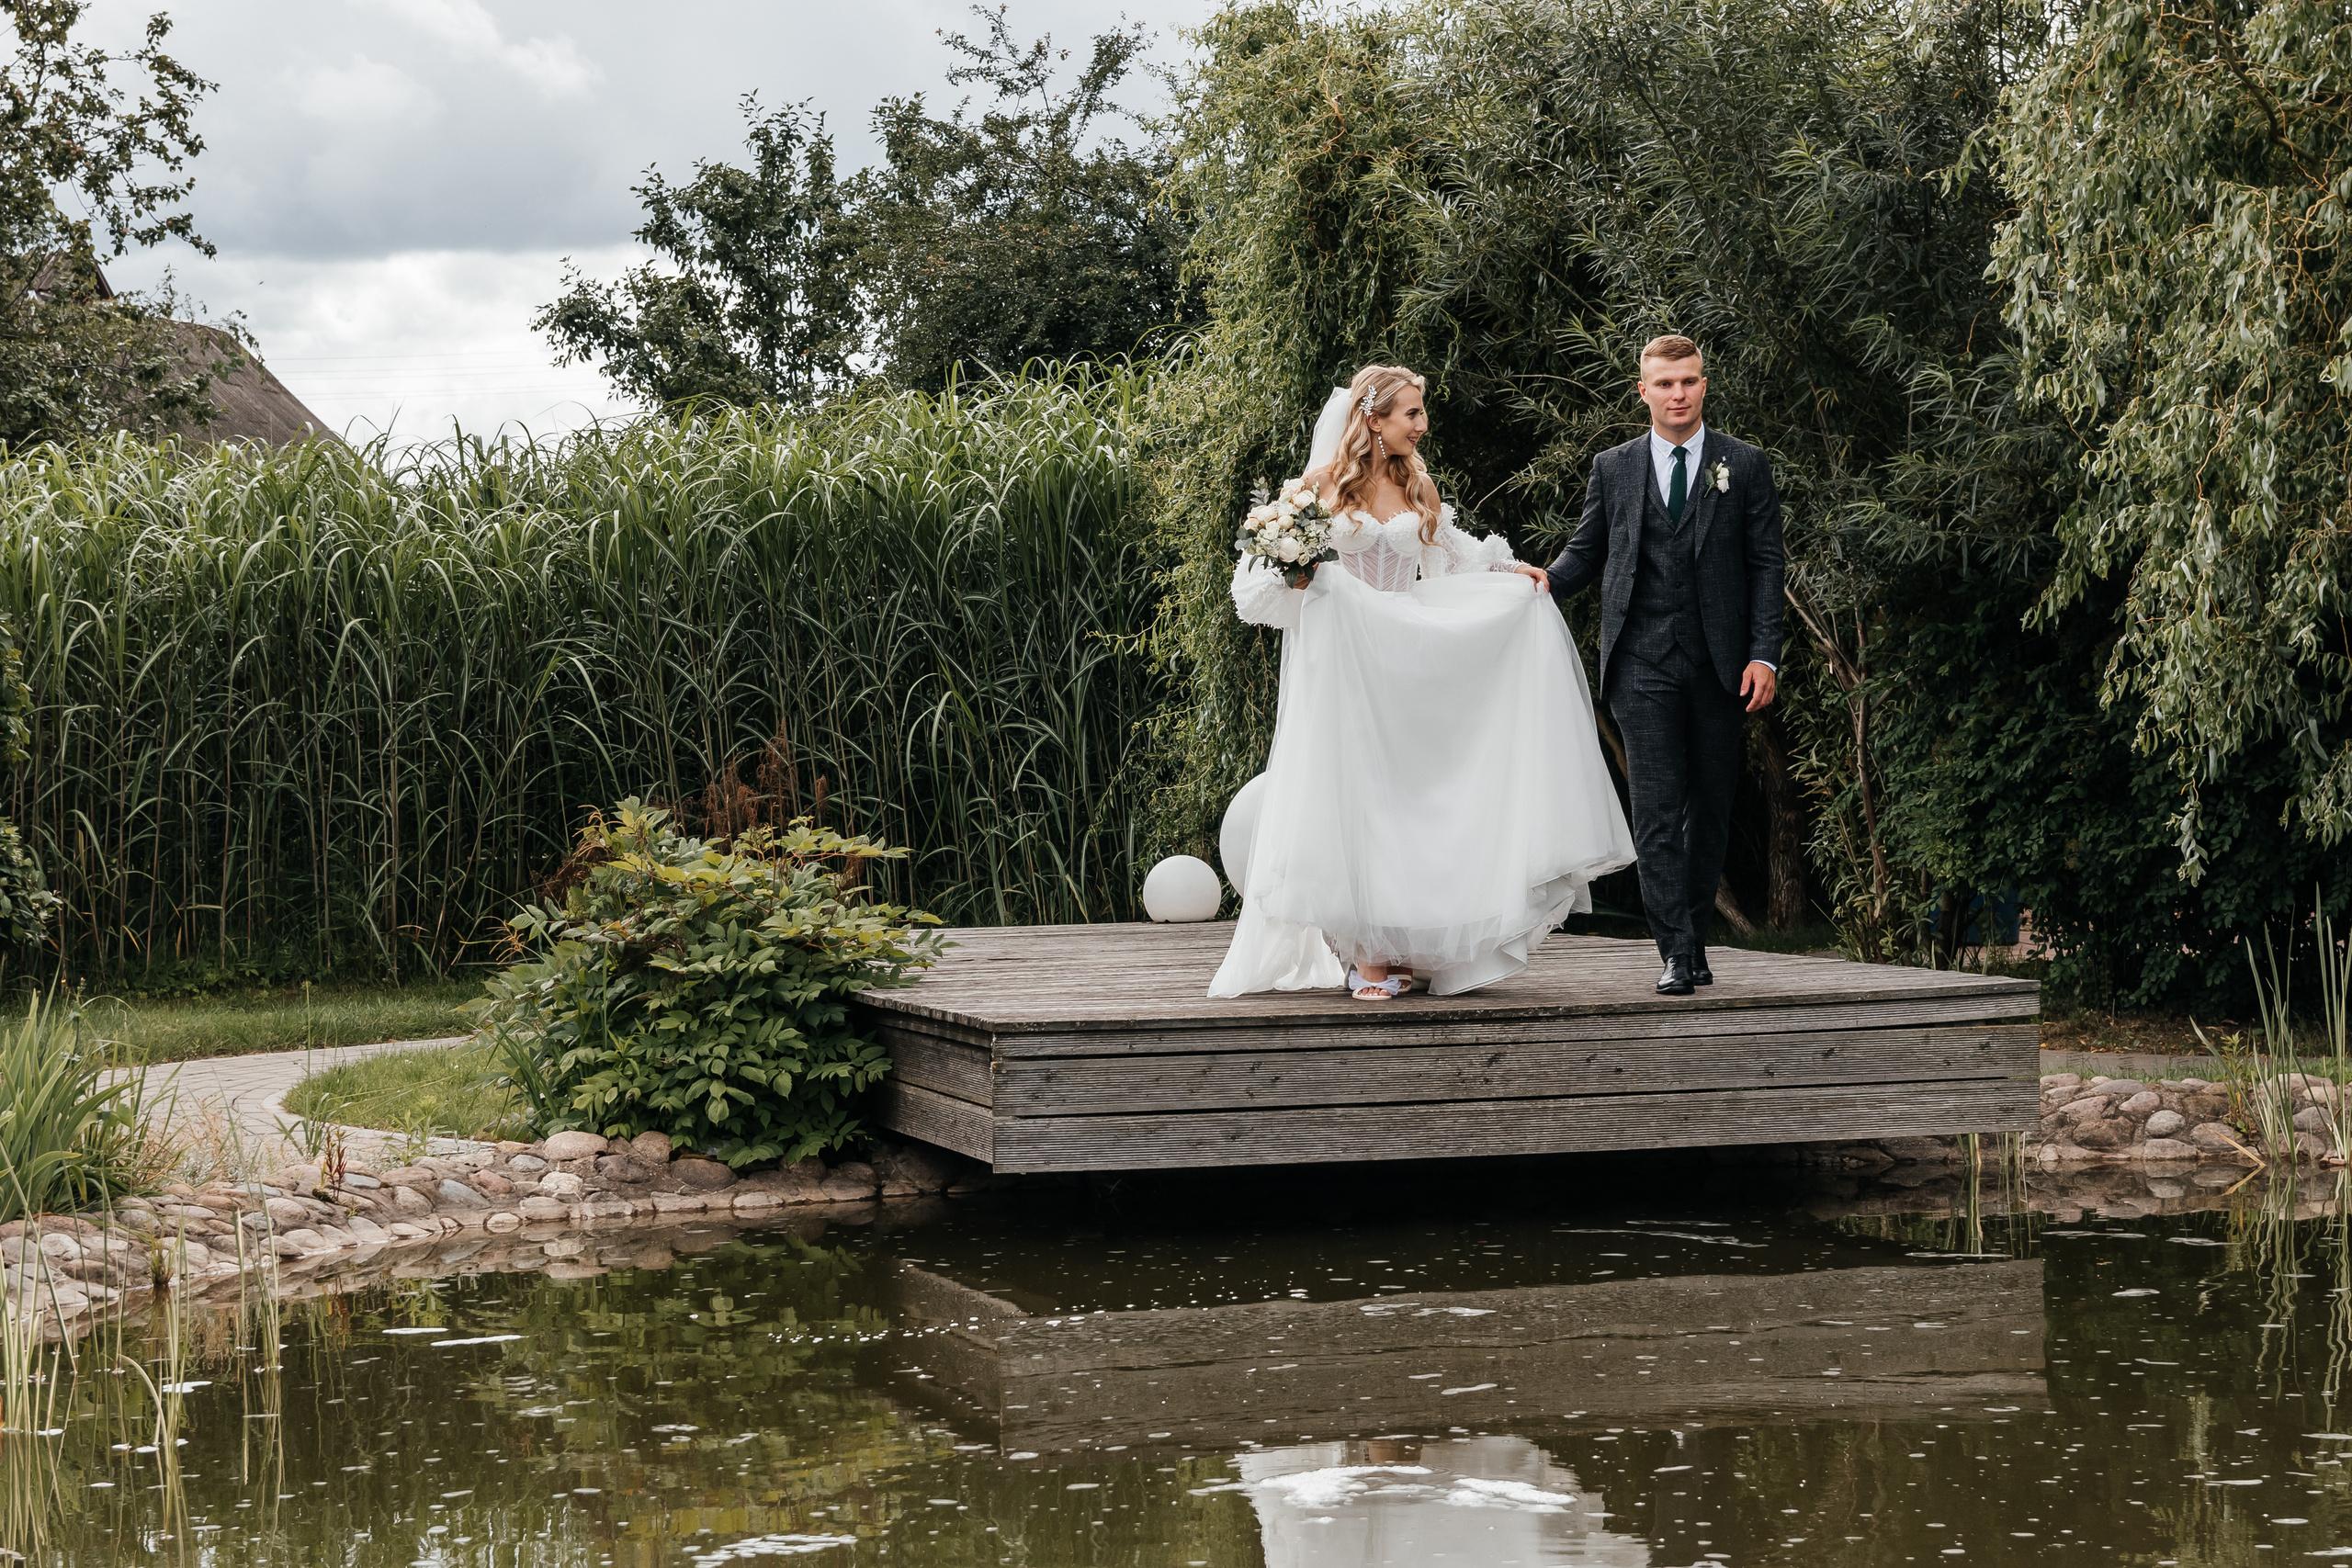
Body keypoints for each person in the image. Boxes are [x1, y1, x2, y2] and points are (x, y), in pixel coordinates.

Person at [1209, 364, 1634, 1000]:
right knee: (1362, 795)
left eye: (1421, 412)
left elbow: (1453, 556)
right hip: (1347, 659)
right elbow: (1256, 583)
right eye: (1411, 412)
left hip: (1405, 655)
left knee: (1408, 799)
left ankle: (1406, 944)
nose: (1422, 424)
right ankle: (1371, 958)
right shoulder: (1318, 487)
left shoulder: (1419, 486)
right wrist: (1295, 575)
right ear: (1372, 419)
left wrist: (1514, 573)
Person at [1535, 334, 1785, 996]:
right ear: (1642, 389)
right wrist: (1538, 584)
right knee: (1654, 809)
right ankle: (1674, 949)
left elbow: (1765, 567)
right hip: (1641, 661)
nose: (1679, 394)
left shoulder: (1745, 465)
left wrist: (1764, 653)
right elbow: (1585, 553)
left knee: (1709, 809)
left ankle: (1694, 936)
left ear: (1705, 386)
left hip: (1722, 665)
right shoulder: (1613, 467)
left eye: (1689, 382)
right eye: (1665, 383)